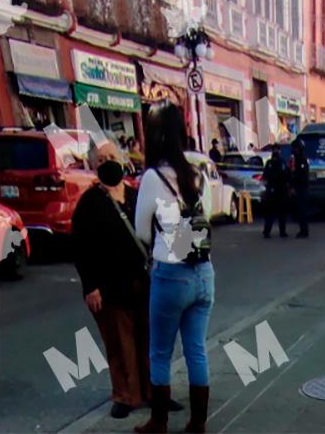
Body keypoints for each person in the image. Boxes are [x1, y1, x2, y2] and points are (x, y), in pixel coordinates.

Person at [134, 100, 214, 433]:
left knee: (160, 352)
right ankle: (197, 422)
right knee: (196, 349)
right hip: (204, 273)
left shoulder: (153, 177)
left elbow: (140, 230)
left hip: (171, 275)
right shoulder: (196, 173)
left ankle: (160, 420)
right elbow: (205, 219)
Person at [72, 138, 152, 419]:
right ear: (94, 167)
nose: (107, 164)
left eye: (111, 157)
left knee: (147, 340)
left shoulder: (135, 196)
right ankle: (125, 396)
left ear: (122, 159)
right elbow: (81, 248)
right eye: (101, 160)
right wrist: (90, 287)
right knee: (119, 344)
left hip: (143, 284)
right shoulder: (89, 203)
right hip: (109, 289)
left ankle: (152, 391)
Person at [262, 143, 289, 238]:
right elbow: (265, 177)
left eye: (277, 149)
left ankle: (282, 231)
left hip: (281, 190)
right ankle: (266, 231)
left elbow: (287, 175)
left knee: (282, 213)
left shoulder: (282, 163)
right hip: (272, 190)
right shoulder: (269, 163)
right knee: (270, 212)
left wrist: (287, 187)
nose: (276, 151)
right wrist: (266, 189)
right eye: (274, 150)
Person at [289, 137, 309, 238]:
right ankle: (302, 229)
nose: (293, 150)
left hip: (301, 187)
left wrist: (295, 185)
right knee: (298, 210)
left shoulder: (301, 159)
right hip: (298, 187)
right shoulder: (295, 159)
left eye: (295, 148)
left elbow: (300, 175)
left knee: (302, 210)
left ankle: (304, 230)